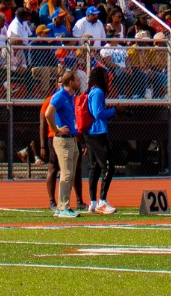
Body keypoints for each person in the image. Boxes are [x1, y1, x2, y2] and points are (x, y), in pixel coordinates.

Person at [83, 64, 118, 214]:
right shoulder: (98, 92)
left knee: (95, 168)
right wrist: (114, 111)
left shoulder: (92, 91)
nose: (107, 80)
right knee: (108, 167)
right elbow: (98, 113)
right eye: (105, 78)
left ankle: (93, 202)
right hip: (98, 133)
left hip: (92, 132)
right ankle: (102, 201)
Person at [47, 70, 82, 218]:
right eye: (77, 80)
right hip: (63, 140)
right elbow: (48, 113)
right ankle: (63, 207)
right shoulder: (60, 96)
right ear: (71, 82)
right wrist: (56, 130)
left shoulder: (71, 97)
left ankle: (63, 205)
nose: (79, 82)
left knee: (71, 174)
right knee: (66, 174)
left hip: (72, 139)